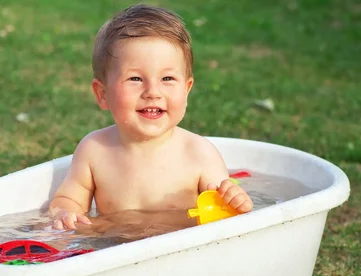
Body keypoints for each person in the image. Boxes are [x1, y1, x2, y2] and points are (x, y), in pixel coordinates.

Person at [49, 4, 253, 230]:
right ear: (103, 94)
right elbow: (68, 200)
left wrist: (236, 202)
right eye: (135, 79)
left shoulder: (199, 153)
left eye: (167, 79)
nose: (153, 92)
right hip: (112, 247)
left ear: (186, 90)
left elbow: (222, 217)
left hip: (181, 248)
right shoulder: (94, 150)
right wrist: (66, 213)